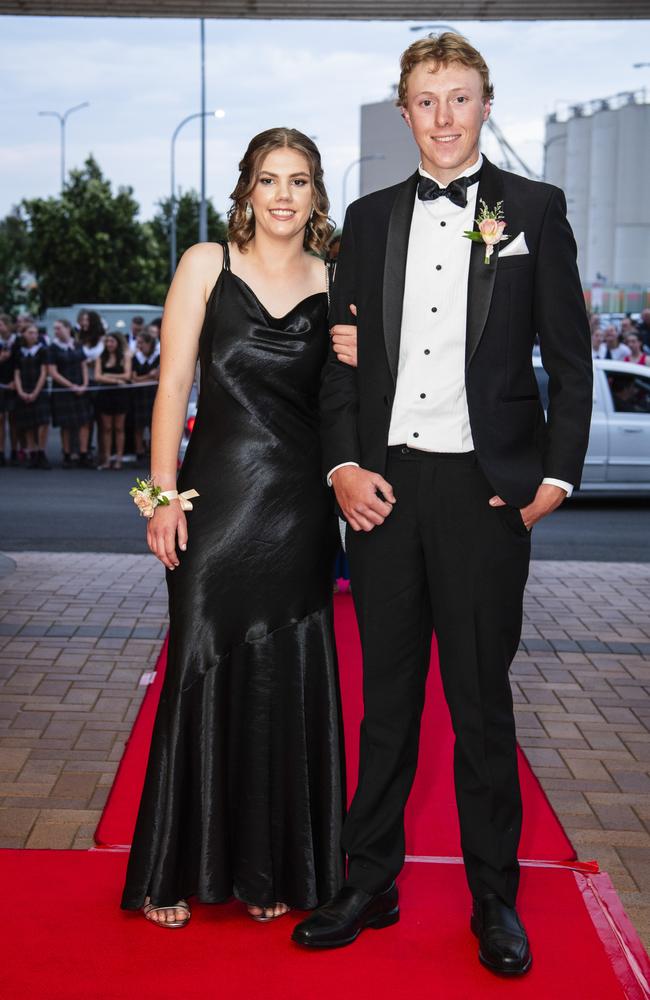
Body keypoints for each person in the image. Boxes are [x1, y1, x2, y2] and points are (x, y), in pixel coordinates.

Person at [293, 33, 592, 977]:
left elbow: (571, 361)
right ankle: (367, 880)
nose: (444, 118)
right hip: (386, 486)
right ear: (405, 111)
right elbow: (342, 367)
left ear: (486, 104)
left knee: (480, 707)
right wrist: (341, 467)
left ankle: (495, 901)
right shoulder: (370, 220)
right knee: (386, 703)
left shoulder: (533, 209)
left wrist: (554, 478)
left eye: (460, 98)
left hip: (486, 489)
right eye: (426, 101)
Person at [120, 128, 357, 930]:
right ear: (246, 190)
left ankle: (270, 869)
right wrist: (160, 498)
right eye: (268, 180)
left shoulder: (336, 280)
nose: (283, 195)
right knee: (198, 662)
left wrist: (367, 352)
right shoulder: (205, 264)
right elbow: (172, 387)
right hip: (215, 503)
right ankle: (171, 872)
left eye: (298, 181)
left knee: (285, 679)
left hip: (300, 510)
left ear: (316, 193)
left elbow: (352, 402)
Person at [48, 320, 94, 468]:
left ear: (67, 329)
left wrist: (85, 384)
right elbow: (53, 373)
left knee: (84, 422)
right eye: (55, 329)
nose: (56, 331)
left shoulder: (77, 345)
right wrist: (72, 386)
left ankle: (83, 454)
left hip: (81, 388)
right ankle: (67, 455)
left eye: (59, 328)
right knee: (65, 425)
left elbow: (84, 366)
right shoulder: (53, 348)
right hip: (64, 391)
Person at [12, 323, 51, 469]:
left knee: (42, 422)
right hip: (24, 388)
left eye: (35, 333)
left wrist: (36, 391)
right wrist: (20, 391)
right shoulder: (19, 351)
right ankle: (32, 452)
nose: (33, 335)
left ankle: (41, 451)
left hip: (38, 389)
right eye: (30, 332)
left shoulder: (43, 350)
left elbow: (43, 373)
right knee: (28, 423)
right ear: (23, 334)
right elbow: (16, 373)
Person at [94, 331, 131, 469]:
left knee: (119, 427)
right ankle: (107, 458)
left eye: (112, 341)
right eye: (107, 341)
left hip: (121, 396)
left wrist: (107, 375)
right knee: (107, 428)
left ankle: (119, 459)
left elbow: (127, 375)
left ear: (117, 343)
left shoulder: (125, 357)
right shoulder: (101, 358)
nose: (109, 344)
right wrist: (115, 379)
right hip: (105, 395)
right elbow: (98, 376)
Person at [130, 330, 160, 461]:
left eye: (141, 343)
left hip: (154, 394)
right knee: (139, 425)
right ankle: (139, 451)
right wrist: (149, 376)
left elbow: (158, 376)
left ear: (149, 343)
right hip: (139, 395)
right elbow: (133, 378)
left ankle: (153, 452)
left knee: (154, 424)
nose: (139, 346)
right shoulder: (136, 358)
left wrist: (142, 378)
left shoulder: (158, 357)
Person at [0, 314, 16, 466]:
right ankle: (1, 451)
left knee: (13, 419)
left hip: (13, 383)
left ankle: (15, 450)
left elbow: (19, 364)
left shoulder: (16, 341)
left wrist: (15, 381)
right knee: (0, 419)